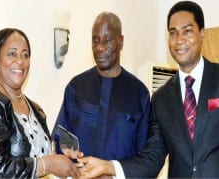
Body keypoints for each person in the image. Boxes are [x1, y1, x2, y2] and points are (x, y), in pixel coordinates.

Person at [78, 1, 219, 178]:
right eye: (173, 33)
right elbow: (152, 158)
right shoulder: (161, 99)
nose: (179, 40)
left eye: (187, 31)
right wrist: (108, 167)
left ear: (202, 33)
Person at [0, 28, 81, 178]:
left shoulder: (36, 110)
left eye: (25, 55)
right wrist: (49, 164)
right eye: (12, 54)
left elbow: (34, 154)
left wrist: (59, 156)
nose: (20, 61)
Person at [52, 11, 150, 161]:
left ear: (121, 41)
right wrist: (66, 153)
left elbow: (145, 158)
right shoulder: (76, 87)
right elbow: (60, 137)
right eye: (95, 41)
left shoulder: (139, 94)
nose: (100, 47)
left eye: (107, 40)